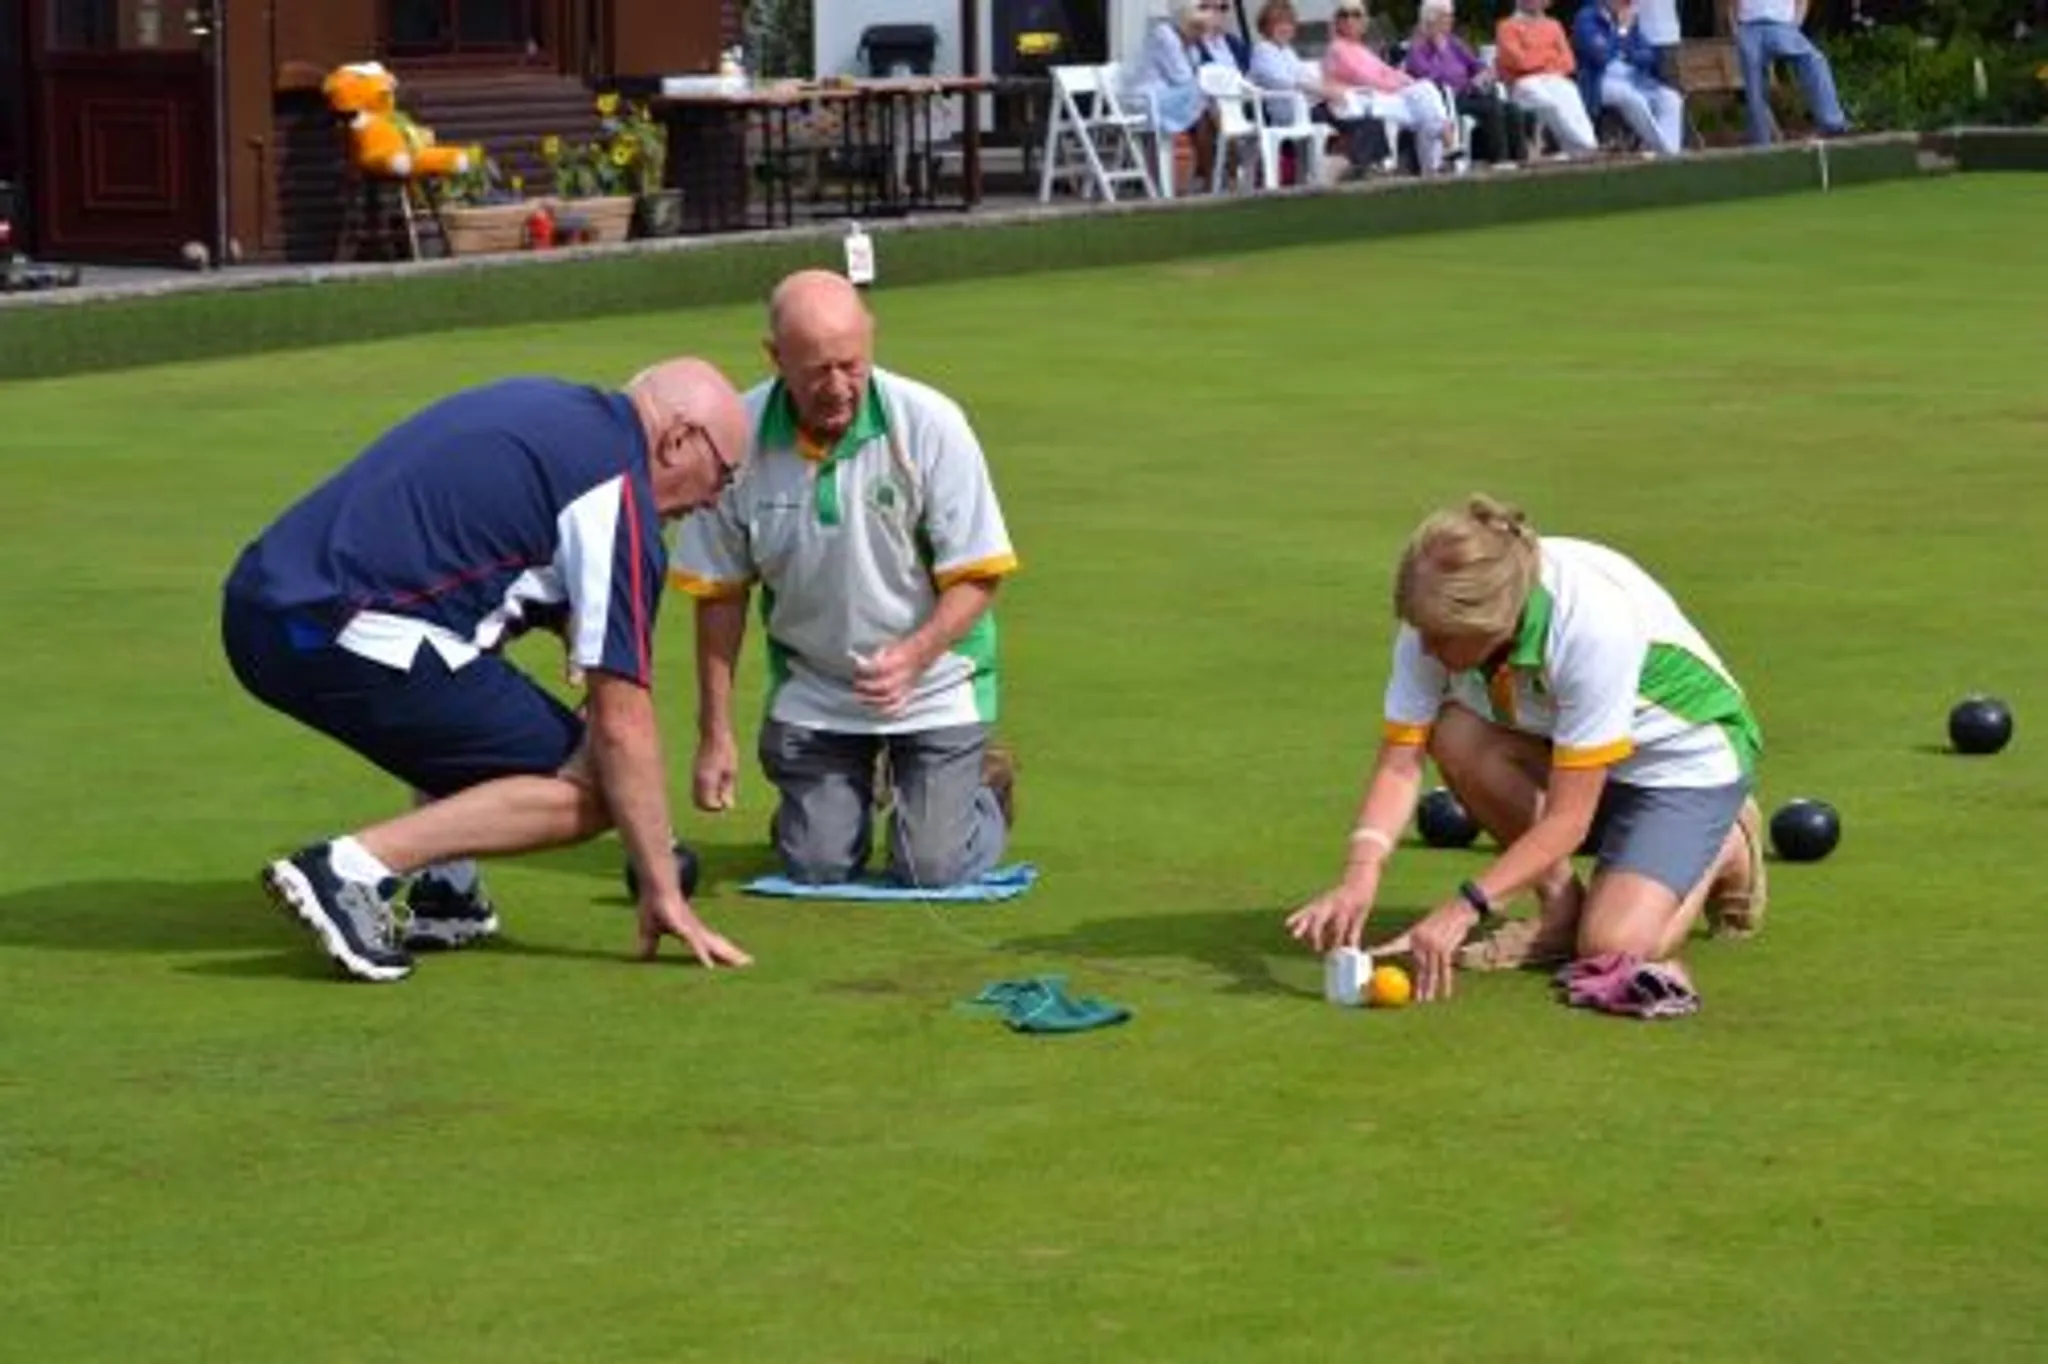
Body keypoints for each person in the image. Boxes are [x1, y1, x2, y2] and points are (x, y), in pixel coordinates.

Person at [223, 361, 755, 983]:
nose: (717, 497)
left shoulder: (554, 407)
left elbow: (482, 548)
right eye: (723, 473)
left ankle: (448, 893)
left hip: (260, 609)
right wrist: (661, 884)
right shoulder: (620, 497)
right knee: (596, 786)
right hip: (338, 631)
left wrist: (565, 625)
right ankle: (348, 870)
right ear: (677, 439)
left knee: (468, 663)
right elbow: (622, 724)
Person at [1285, 496, 1767, 1005]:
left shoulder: (1590, 625)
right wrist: (1360, 876)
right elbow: (1400, 759)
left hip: (1684, 765)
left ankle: (1725, 841)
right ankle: (1559, 911)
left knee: (1613, 946)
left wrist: (1466, 907)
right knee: (1454, 734)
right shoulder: (1436, 616)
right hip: (1574, 751)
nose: (1423, 649)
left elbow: (1568, 819)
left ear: (1493, 624)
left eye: (1439, 638)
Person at [674, 271, 1019, 890]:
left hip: (940, 679)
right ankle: (832, 808)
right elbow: (719, 595)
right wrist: (714, 735)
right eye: (815, 371)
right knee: (816, 866)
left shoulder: (932, 424)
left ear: (872, 340)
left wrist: (914, 657)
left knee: (929, 868)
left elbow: (979, 575)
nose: (837, 388)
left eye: (850, 365)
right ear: (775, 357)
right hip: (816, 689)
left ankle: (986, 787)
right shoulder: (735, 440)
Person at [1247, 0, 1391, 180]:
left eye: (1289, 23)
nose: (1285, 28)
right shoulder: (1263, 51)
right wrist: (1322, 91)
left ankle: (1362, 165)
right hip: (1292, 112)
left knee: (1367, 119)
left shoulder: (1286, 51)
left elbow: (1308, 77)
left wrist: (1328, 90)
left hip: (1310, 105)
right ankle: (1355, 168)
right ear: (1266, 26)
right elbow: (1285, 81)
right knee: (1347, 117)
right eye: (1279, 23)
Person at [1323, 0, 1455, 176]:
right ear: (1337, 22)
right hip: (1358, 102)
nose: (1349, 20)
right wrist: (1398, 84)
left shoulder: (1361, 49)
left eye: (1356, 15)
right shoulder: (1337, 49)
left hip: (1381, 97)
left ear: (1364, 22)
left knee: (1425, 95)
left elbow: (1387, 71)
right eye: (1344, 15)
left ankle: (1436, 164)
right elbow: (1364, 78)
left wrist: (1407, 81)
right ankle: (1441, 154)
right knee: (1425, 107)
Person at [1403, 0, 1524, 167]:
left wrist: (1483, 74)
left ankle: (1521, 160)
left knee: (1512, 109)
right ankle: (1500, 160)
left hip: (1469, 93)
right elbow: (1432, 78)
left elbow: (1476, 64)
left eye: (1451, 16)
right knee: (1492, 107)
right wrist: (1440, 51)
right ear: (1431, 19)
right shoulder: (1418, 49)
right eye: (1446, 16)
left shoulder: (1453, 42)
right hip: (1447, 102)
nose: (1451, 20)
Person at [1571, 0, 1688, 156]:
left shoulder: (1628, 19)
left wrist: (1631, 53)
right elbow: (1601, 56)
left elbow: (1648, 55)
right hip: (1601, 80)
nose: (1627, 3)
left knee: (1671, 98)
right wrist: (1622, 32)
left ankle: (1667, 151)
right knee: (1632, 98)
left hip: (1633, 77)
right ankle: (1666, 152)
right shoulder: (1587, 18)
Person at [1730, 0, 1850, 145]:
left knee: (1813, 60)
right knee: (1754, 85)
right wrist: (1736, 29)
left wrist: (1795, 25)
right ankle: (1761, 141)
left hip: (1782, 26)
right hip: (1749, 26)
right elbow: (1730, 4)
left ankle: (1832, 123)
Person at [1495, 0, 1600, 156]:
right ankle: (1583, 146)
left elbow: (1569, 62)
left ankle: (1589, 143)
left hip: (1554, 77)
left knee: (1571, 93)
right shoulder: (1507, 27)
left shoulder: (1553, 25)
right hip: (1523, 82)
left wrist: (1536, 59)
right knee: (1548, 103)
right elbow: (1519, 62)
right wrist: (1549, 57)